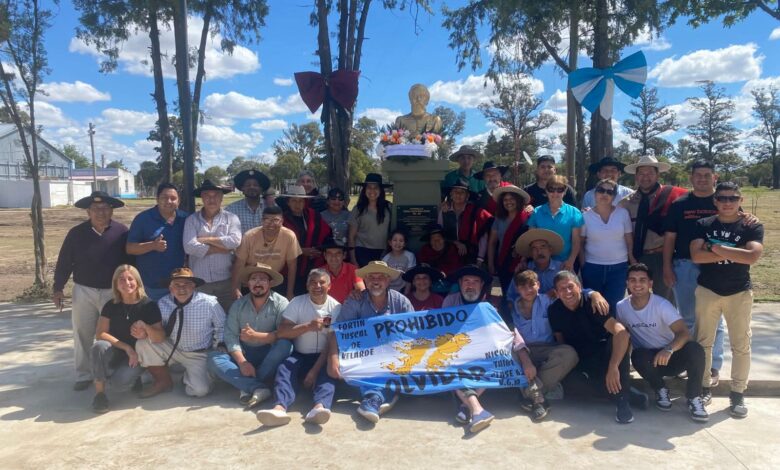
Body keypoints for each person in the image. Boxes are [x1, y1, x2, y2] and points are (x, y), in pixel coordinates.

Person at [663, 161, 758, 387]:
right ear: (691, 178)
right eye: (698, 175)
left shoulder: (726, 199)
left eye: (707, 175)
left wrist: (751, 217)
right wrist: (667, 266)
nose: (703, 179)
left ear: (714, 177)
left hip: (718, 266)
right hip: (686, 264)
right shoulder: (680, 204)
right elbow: (669, 238)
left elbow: (742, 222)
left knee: (716, 321)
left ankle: (713, 365)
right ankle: (690, 362)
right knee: (688, 317)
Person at [690, 182, 764, 418]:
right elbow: (696, 256)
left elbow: (753, 256)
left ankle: (738, 392)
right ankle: (703, 388)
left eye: (732, 198)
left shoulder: (752, 225)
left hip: (739, 292)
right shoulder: (703, 224)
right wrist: (735, 251)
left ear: (740, 200)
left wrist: (716, 247)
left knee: (741, 345)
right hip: (708, 290)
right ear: (715, 201)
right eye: (722, 198)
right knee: (703, 343)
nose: (727, 202)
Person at [53, 190, 129, 391]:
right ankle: (84, 374)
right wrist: (58, 287)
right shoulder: (76, 233)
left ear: (112, 210)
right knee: (82, 333)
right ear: (88, 211)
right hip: (84, 290)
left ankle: (109, 369)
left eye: (105, 208)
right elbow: (64, 263)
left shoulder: (122, 232)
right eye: (96, 209)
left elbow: (130, 263)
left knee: (112, 334)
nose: (101, 212)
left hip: (112, 292)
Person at [548, 271, 646, 424]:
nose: (567, 292)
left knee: (618, 344)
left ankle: (622, 402)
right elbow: (562, 343)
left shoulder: (593, 304)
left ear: (579, 287)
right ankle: (628, 395)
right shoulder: (554, 310)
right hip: (581, 358)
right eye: (562, 289)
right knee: (572, 386)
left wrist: (613, 367)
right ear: (556, 293)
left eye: (570, 286)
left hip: (603, 353)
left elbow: (621, 333)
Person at [616, 264, 708, 422]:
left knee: (696, 349)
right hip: (649, 361)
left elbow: (684, 333)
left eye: (642, 280)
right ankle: (660, 388)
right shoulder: (621, 307)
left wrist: (669, 349)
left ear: (650, 283)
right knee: (638, 356)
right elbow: (623, 336)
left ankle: (694, 398)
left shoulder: (661, 305)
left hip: (672, 355)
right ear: (627, 284)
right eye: (633, 280)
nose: (637, 284)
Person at [330, 261, 413, 424]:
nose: (376, 281)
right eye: (371, 277)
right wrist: (332, 359)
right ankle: (382, 396)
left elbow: (414, 334)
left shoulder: (402, 302)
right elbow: (337, 331)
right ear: (365, 281)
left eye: (381, 277)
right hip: (363, 355)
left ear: (388, 280)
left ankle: (374, 397)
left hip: (394, 356)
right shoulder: (354, 300)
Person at [255, 269, 341, 427]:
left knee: (328, 375)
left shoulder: (336, 308)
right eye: (313, 282)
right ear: (307, 285)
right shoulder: (297, 302)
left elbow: (331, 344)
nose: (317, 286)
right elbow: (282, 332)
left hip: (322, 356)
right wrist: (307, 326)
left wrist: (314, 371)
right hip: (299, 354)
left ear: (329, 286)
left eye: (322, 282)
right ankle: (279, 408)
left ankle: (319, 407)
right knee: (284, 369)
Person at [207, 263, 293, 408]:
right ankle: (258, 387)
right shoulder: (238, 305)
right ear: (248, 283)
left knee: (286, 345)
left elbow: (283, 333)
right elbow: (230, 336)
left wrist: (257, 336)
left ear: (270, 283)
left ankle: (246, 385)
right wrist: (242, 363)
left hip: (268, 352)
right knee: (213, 358)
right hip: (244, 351)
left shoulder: (281, 303)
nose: (258, 283)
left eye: (262, 279)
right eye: (254, 279)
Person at [135, 268, 226, 398]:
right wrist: (143, 331)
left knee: (200, 391)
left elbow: (221, 326)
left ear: (194, 286)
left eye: (186, 284)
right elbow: (158, 328)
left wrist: (218, 347)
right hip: (172, 347)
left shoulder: (209, 303)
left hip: (198, 354)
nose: (181, 288)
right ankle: (162, 381)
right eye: (177, 285)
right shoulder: (163, 303)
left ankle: (194, 375)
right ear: (170, 287)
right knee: (143, 343)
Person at [89, 265, 164, 413]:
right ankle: (100, 395)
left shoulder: (149, 305)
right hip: (118, 350)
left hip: (140, 354)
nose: (126, 283)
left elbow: (160, 336)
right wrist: (127, 348)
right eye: (121, 280)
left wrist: (146, 328)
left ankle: (136, 376)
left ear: (137, 282)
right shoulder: (111, 305)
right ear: (116, 285)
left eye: (130, 279)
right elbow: (100, 333)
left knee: (118, 384)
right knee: (98, 346)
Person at [511, 270, 579, 422]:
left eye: (531, 285)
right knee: (507, 354)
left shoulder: (549, 300)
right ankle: (539, 399)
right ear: (517, 289)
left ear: (538, 285)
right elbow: (514, 336)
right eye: (523, 287)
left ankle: (529, 393)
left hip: (547, 348)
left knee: (569, 353)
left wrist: (593, 293)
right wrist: (526, 361)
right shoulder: (513, 307)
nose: (528, 290)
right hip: (524, 350)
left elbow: (574, 295)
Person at [440, 265, 499, 433]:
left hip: (482, 353)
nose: (470, 285)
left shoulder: (490, 305)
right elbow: (443, 331)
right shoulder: (450, 301)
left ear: (481, 285)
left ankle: (467, 407)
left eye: (475, 282)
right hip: (456, 350)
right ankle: (477, 409)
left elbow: (496, 335)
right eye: (466, 281)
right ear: (460, 283)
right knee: (444, 362)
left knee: (498, 360)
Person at [622, 153, 687, 304]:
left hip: (662, 256)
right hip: (637, 257)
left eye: (650, 173)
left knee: (666, 300)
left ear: (658, 175)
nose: (646, 177)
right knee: (636, 300)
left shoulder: (674, 197)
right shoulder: (626, 203)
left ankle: (667, 328)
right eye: (641, 173)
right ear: (636, 176)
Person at [184, 179, 242, 313]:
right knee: (202, 321)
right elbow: (189, 246)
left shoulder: (231, 218)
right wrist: (222, 248)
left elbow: (235, 241)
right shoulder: (192, 220)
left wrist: (205, 239)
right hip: (200, 283)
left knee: (228, 319)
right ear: (202, 198)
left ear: (221, 197)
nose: (212, 199)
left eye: (215, 195)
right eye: (207, 195)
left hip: (226, 282)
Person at [580, 178, 636, 314]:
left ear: (614, 196)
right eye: (601, 190)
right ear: (595, 194)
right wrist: (583, 265)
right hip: (592, 267)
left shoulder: (622, 214)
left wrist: (632, 261)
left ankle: (612, 335)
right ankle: (597, 335)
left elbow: (629, 240)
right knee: (593, 306)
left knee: (614, 306)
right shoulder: (585, 216)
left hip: (619, 268)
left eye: (609, 192)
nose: (604, 194)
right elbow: (580, 243)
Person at [126, 183, 187, 300]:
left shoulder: (186, 219)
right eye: (164, 198)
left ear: (179, 201)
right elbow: (130, 248)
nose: (168, 201)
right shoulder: (143, 219)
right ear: (157, 199)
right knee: (153, 318)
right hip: (152, 286)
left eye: (173, 198)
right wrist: (152, 245)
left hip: (179, 284)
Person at [232, 206, 301, 300]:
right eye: (267, 220)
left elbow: (292, 266)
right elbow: (239, 263)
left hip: (274, 280)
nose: (271, 224)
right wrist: (236, 288)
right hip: (251, 280)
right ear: (262, 221)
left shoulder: (289, 236)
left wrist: (290, 292)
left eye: (275, 220)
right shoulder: (249, 236)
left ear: (282, 221)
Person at [280, 185, 332, 295]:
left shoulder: (313, 216)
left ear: (305, 202)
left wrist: (317, 250)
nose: (297, 204)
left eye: (300, 201)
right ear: (288, 202)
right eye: (293, 201)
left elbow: (326, 234)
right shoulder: (282, 220)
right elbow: (279, 244)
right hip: (289, 267)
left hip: (312, 265)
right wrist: (302, 251)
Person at [527, 175, 583, 272]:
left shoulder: (574, 212)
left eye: (560, 189)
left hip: (565, 264)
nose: (555, 193)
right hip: (541, 264)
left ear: (565, 191)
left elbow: (576, 242)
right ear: (546, 191)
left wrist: (571, 261)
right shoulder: (537, 212)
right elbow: (531, 240)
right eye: (551, 189)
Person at [438, 178, 493, 266]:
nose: (458, 195)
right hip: (449, 254)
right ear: (451, 194)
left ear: (467, 196)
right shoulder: (444, 211)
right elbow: (439, 233)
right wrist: (456, 243)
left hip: (471, 255)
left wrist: (480, 258)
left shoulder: (475, 212)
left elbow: (483, 237)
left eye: (462, 192)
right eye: (455, 191)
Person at [487, 185, 531, 292]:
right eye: (505, 200)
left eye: (512, 199)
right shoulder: (499, 218)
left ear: (518, 200)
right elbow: (492, 243)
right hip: (503, 262)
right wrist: (490, 264)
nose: (508, 202)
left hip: (522, 263)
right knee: (506, 294)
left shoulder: (528, 217)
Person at [348, 173, 393, 267]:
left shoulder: (389, 208)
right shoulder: (358, 209)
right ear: (364, 190)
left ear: (381, 190)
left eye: (375, 187)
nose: (372, 190)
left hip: (383, 252)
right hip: (362, 252)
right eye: (369, 187)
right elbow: (351, 237)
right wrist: (353, 259)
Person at [225, 169, 271, 234]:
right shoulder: (231, 210)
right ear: (242, 189)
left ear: (261, 189)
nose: (251, 187)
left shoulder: (270, 206)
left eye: (255, 185)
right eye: (248, 185)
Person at [321, 239, 365, 303]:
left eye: (338, 253)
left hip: (348, 308)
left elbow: (361, 291)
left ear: (344, 255)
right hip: (327, 309)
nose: (333, 257)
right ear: (325, 256)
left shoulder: (353, 270)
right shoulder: (319, 272)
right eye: (329, 253)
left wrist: (357, 292)